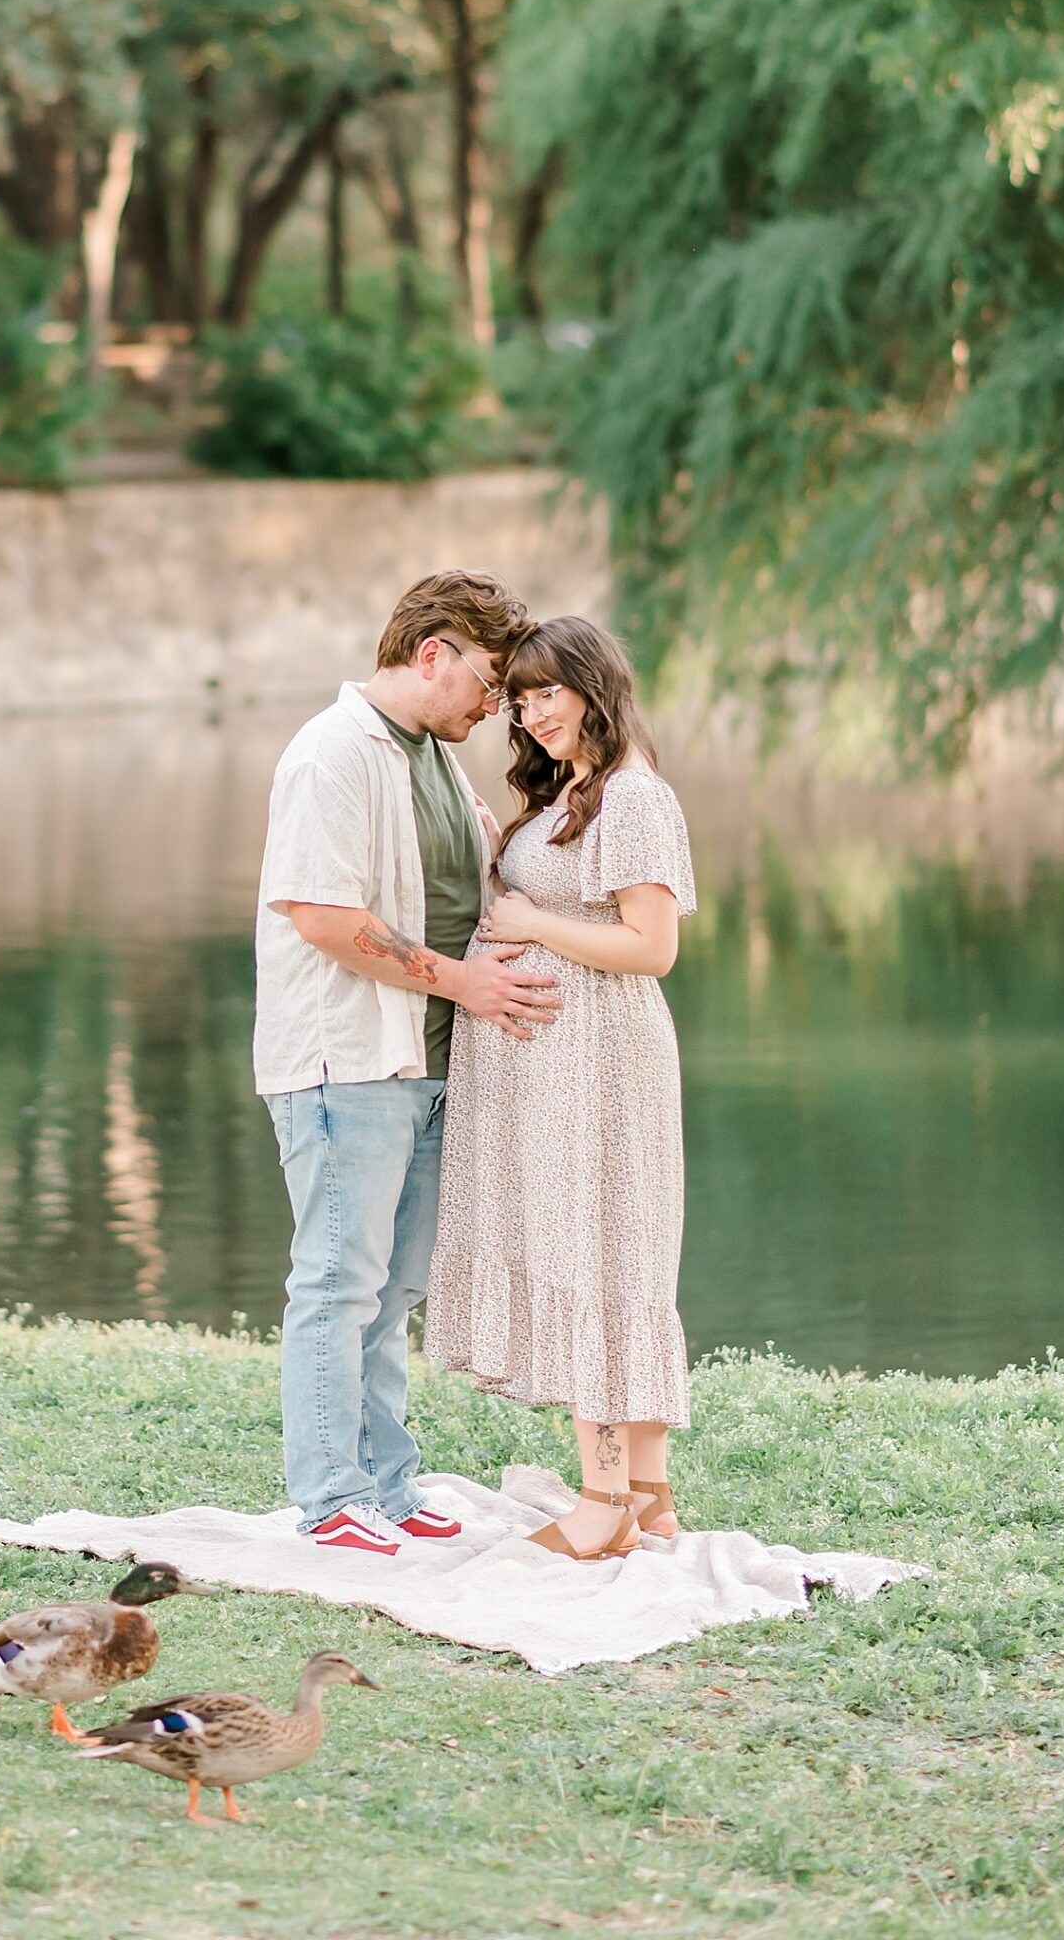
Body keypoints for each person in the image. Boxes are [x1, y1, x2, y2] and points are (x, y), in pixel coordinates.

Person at [255, 571, 561, 1555]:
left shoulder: (434, 758)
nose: (494, 705)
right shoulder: (330, 753)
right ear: (433, 651)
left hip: (424, 1066)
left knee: (391, 1290)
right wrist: (461, 985)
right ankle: (328, 1496)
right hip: (342, 1064)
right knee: (337, 1282)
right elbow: (322, 917)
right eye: (487, 681)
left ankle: (385, 1482)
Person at [424, 615, 696, 1559]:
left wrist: (532, 924)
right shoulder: (572, 795)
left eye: (550, 691)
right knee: (607, 1259)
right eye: (522, 696)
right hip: (550, 1068)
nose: (531, 712)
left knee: (602, 1260)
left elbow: (650, 948)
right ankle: (649, 1495)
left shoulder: (630, 798)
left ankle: (603, 1501)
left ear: (594, 687)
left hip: (598, 1071)